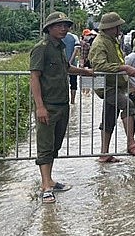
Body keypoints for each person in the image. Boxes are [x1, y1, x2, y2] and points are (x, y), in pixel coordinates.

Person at [30, 11, 93, 204]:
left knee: (55, 144)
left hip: (62, 104)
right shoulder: (41, 48)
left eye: (66, 25)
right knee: (45, 145)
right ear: (49, 28)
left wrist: (84, 71)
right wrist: (40, 106)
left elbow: (66, 68)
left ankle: (50, 179)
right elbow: (34, 77)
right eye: (59, 25)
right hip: (48, 105)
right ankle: (46, 186)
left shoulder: (59, 47)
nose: (64, 28)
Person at [88, 12, 135, 161]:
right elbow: (99, 65)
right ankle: (131, 143)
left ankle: (104, 154)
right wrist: (124, 68)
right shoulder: (100, 43)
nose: (120, 29)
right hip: (106, 85)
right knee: (128, 105)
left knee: (109, 117)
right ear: (111, 27)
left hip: (114, 84)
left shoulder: (111, 40)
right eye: (118, 26)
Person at [62, 30, 80, 104]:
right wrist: (70, 62)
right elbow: (76, 50)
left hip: (62, 65)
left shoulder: (60, 37)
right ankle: (72, 101)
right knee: (73, 83)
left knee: (63, 83)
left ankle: (65, 101)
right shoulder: (74, 37)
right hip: (73, 65)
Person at [80, 28, 93, 95]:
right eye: (87, 35)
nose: (89, 36)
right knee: (87, 77)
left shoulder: (79, 43)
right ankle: (87, 92)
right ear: (84, 35)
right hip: (86, 62)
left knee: (83, 77)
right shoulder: (86, 45)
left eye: (89, 35)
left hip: (82, 62)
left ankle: (83, 92)